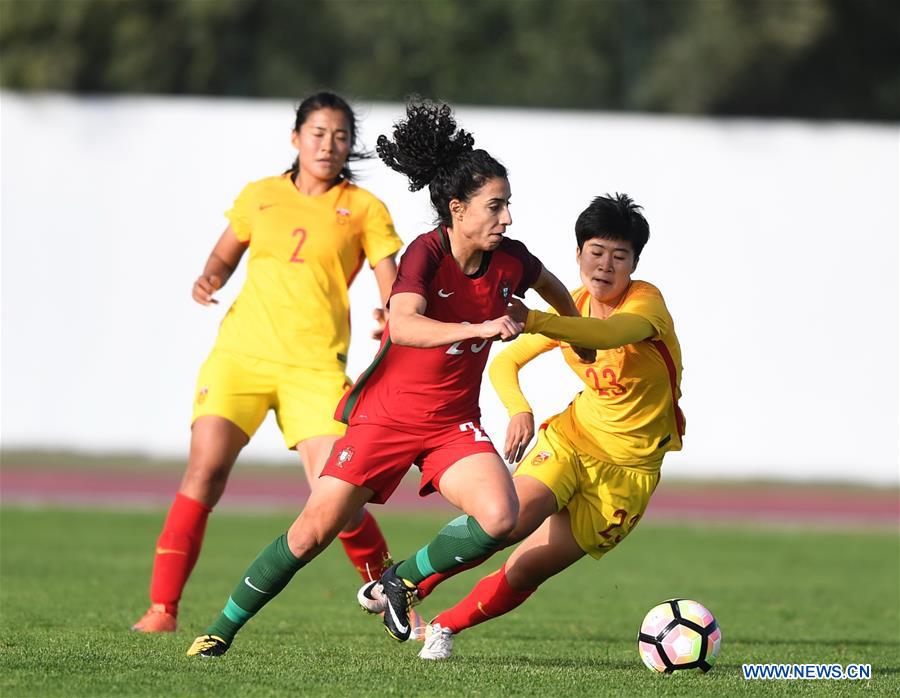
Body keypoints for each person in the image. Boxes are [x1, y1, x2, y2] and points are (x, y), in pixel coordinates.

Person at [186, 98, 586, 657]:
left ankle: (399, 579)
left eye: (508, 205)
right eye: (496, 207)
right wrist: (481, 324)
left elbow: (552, 288)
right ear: (458, 209)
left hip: (452, 424)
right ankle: (220, 630)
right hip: (385, 419)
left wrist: (575, 335)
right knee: (310, 534)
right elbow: (402, 324)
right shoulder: (426, 252)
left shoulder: (511, 259)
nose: (508, 218)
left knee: (500, 517)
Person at [132, 92, 404, 633]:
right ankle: (161, 612)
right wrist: (210, 277)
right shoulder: (260, 195)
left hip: (315, 368)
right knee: (204, 471)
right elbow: (223, 253)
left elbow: (392, 283)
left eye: (341, 136)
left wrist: (395, 313)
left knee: (342, 498)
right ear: (296, 137)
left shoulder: (365, 209)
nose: (329, 145)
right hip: (241, 357)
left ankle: (396, 601)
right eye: (319, 133)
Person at [412, 193, 685, 660]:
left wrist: (537, 317)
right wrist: (519, 408)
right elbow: (505, 364)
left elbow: (606, 335)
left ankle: (444, 626)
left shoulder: (646, 304)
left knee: (526, 571)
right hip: (572, 440)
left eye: (619, 257)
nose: (605, 266)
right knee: (508, 521)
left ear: (635, 263)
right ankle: (408, 583)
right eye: (595, 253)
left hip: (627, 474)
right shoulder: (572, 303)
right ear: (578, 255)